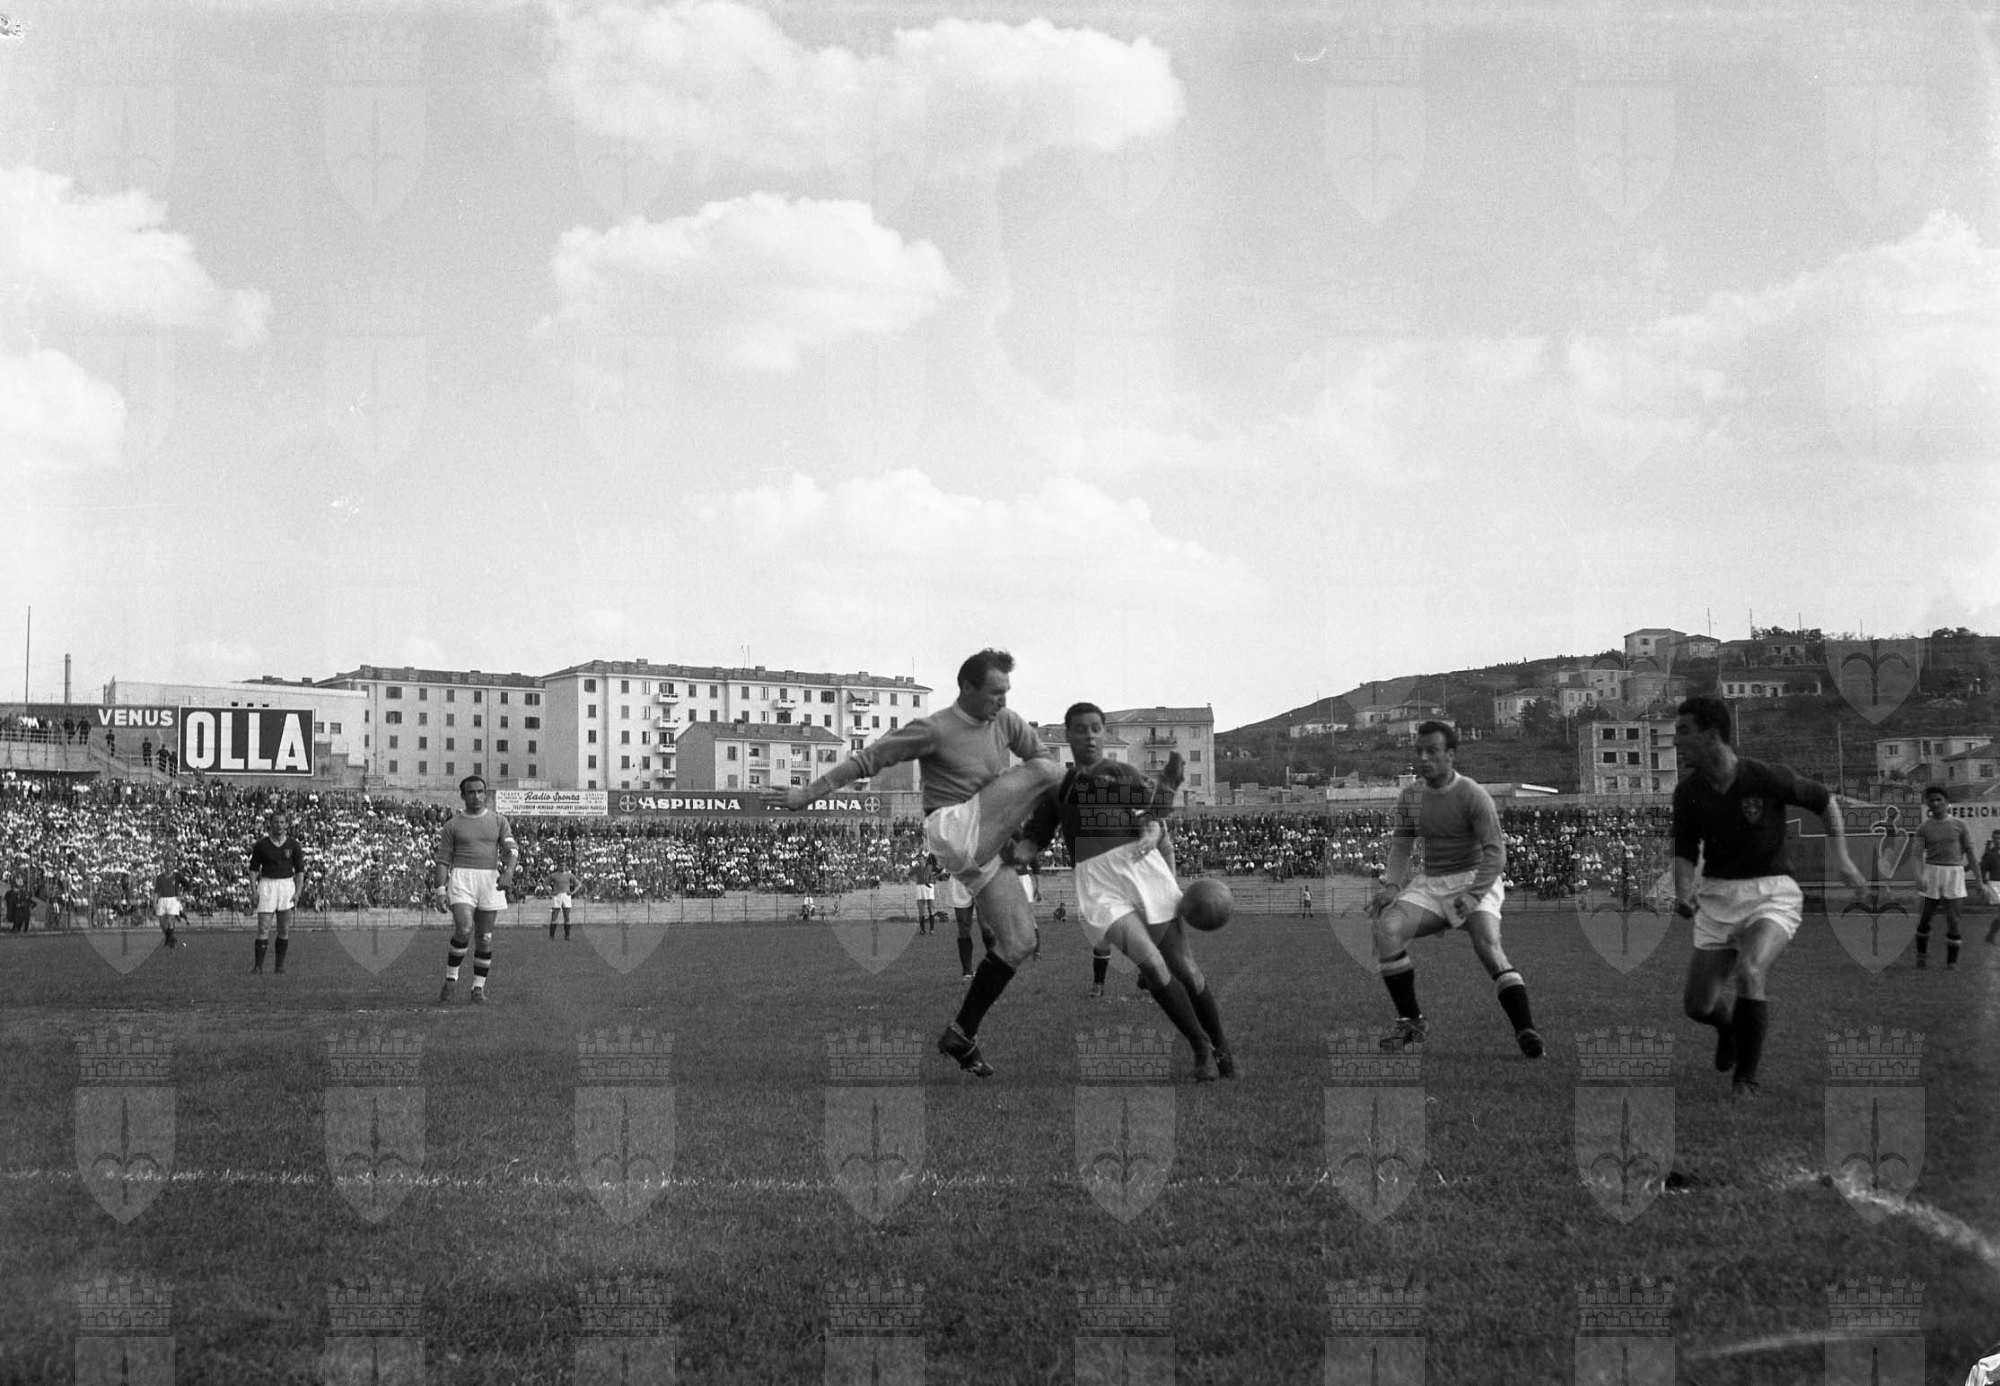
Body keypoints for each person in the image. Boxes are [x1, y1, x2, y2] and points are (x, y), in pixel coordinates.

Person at [782, 648, 1065, 1078]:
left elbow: (1042, 762)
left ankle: (962, 1034)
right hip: (952, 827)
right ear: (966, 687)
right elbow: (867, 760)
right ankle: (1076, 838)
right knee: (1050, 772)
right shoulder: (934, 729)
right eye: (994, 692)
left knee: (1020, 942)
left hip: (983, 843)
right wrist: (807, 794)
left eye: (1006, 691)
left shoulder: (1006, 722)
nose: (1003, 700)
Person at [1019, 703, 1230, 1079]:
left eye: (1096, 728)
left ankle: (1223, 1048)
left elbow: (1153, 811)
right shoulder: (1057, 788)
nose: (1089, 736)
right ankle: (1202, 1049)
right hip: (1099, 887)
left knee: (1185, 968)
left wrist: (1156, 818)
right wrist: (1010, 851)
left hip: (1141, 871)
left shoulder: (1122, 773)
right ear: (1067, 735)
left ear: (1103, 733)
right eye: (1081, 729)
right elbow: (1035, 837)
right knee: (1152, 965)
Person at [1671, 695, 1867, 1099]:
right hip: (1718, 897)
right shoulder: (1687, 793)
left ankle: (1746, 1080)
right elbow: (1685, 852)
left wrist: (1843, 859)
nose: (1676, 741)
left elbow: (1824, 801)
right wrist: (1683, 892)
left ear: (1711, 734)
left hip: (1772, 892)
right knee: (1698, 1006)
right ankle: (1729, 1029)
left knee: (1750, 970)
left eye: (1683, 731)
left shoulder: (1764, 777)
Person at [1368, 721, 1544, 1060]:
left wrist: (1474, 895)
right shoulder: (1411, 796)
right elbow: (1402, 844)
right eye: (1419, 751)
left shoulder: (1472, 795)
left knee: (1488, 947)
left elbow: (1495, 852)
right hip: (1433, 883)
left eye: (1432, 751)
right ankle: (1412, 1023)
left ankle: (1526, 1030)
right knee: (1387, 930)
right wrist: (1392, 885)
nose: (1424, 758)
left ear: (1450, 755)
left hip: (1475, 879)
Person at [432, 775, 519, 1005]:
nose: (476, 796)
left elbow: (512, 850)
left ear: (486, 794)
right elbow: (443, 860)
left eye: (480, 791)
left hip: (489, 879)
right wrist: (440, 890)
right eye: (471, 792)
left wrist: (509, 872)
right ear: (463, 795)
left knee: (485, 937)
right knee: (464, 928)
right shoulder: (452, 825)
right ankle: (451, 979)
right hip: (462, 878)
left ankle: (478, 988)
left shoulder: (499, 821)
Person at [1912, 787, 1981, 970]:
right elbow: (1917, 855)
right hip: (1932, 873)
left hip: (1954, 874)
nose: (1935, 803)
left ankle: (1952, 962)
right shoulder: (1923, 827)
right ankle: (1921, 956)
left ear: (1946, 802)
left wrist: (1979, 880)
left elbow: (1971, 853)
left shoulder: (1960, 825)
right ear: (1927, 803)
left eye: (1938, 799)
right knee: (1925, 918)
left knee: (1953, 920)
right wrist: (1918, 876)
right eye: (1931, 800)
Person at [247, 811, 305, 974]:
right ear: (270, 824)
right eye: (276, 822)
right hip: (267, 885)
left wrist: (298, 892)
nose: (279, 825)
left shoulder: (294, 845)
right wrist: (254, 891)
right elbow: (253, 870)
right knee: (263, 927)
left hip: (286, 885)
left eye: (282, 822)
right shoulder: (262, 845)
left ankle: (279, 966)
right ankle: (258, 967)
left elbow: (300, 871)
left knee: (284, 929)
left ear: (286, 825)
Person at [152, 854, 186, 950]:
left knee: (170, 920)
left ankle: (171, 943)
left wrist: (183, 896)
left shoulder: (177, 875)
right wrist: (154, 903)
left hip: (173, 899)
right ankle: (170, 939)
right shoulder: (160, 877)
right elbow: (156, 891)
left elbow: (187, 885)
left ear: (173, 867)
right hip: (162, 900)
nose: (168, 868)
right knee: (162, 923)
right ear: (164, 866)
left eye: (170, 866)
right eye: (167, 866)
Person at [549, 865, 578, 940]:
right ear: (558, 866)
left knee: (567, 916)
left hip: (566, 895)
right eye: (561, 865)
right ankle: (551, 936)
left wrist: (572, 892)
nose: (563, 867)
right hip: (557, 895)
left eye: (564, 865)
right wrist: (550, 892)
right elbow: (545, 883)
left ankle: (567, 936)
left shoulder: (569, 875)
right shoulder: (554, 875)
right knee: (554, 916)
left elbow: (578, 884)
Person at [1982, 831, 2000, 944]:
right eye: (1995, 839)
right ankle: (1991, 935)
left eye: (1999, 838)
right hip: (1995, 885)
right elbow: (1983, 869)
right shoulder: (1990, 854)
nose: (1998, 841)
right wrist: (1983, 884)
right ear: (1993, 840)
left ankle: (1991, 934)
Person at [914, 856, 937, 935]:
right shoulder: (916, 868)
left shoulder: (930, 868)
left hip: (929, 888)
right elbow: (910, 875)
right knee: (921, 910)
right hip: (920, 888)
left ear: (925, 860)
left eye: (921, 859)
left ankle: (932, 929)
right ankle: (922, 929)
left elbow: (935, 878)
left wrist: (933, 880)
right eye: (918, 859)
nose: (920, 861)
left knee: (931, 909)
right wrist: (915, 880)